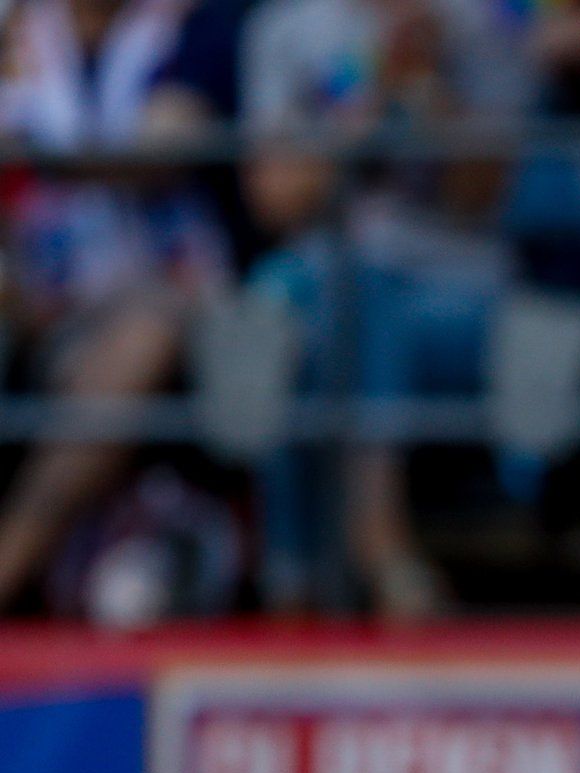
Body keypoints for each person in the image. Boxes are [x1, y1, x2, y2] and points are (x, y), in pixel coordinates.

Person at [237, 0, 529, 617]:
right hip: (318, 284)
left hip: (454, 291)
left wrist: (426, 86)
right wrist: (368, 97)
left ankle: (295, 578)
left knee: (352, 301)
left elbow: (481, 195)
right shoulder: (287, 28)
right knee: (309, 312)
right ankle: (375, 540)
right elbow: (276, 200)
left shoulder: (479, 27)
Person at [0, 0, 231, 616]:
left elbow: (164, 149)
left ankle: (10, 563)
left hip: (168, 300)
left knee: (143, 334)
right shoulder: (16, 30)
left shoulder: (187, 27)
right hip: (35, 299)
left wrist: (42, 157)